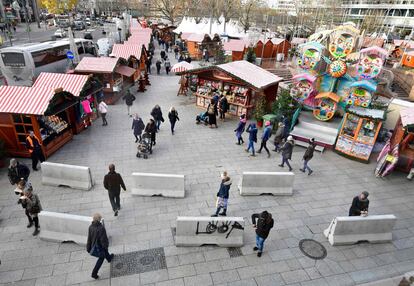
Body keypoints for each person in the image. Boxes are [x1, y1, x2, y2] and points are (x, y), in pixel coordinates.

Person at [87, 213, 114, 280]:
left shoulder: (90, 227)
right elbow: (103, 239)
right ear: (99, 219)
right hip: (100, 246)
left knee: (105, 252)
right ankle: (94, 273)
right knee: (101, 258)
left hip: (95, 245)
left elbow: (89, 238)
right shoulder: (101, 228)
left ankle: (109, 258)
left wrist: (88, 247)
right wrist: (106, 246)